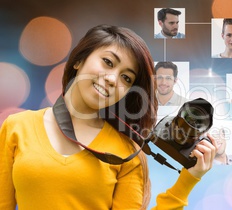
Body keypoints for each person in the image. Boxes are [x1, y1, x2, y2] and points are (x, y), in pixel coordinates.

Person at [0, 25, 216, 210]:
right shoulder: (16, 127)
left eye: (126, 77)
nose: (113, 79)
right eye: (108, 62)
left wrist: (190, 179)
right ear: (79, 60)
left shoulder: (126, 153)